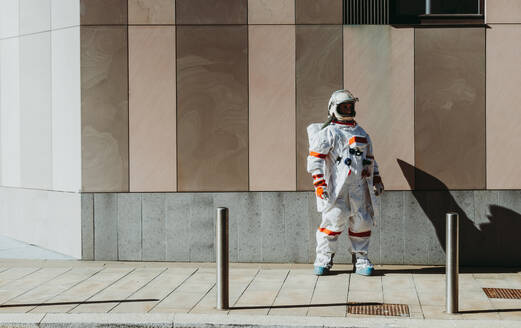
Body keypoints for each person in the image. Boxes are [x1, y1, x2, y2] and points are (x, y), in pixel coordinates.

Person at [307, 89, 384, 276]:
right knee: (333, 222)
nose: (348, 109)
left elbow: (371, 159)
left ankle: (361, 257)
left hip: (358, 186)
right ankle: (324, 258)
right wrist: (319, 183)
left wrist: (376, 177)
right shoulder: (328, 133)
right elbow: (315, 160)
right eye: (344, 107)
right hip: (336, 188)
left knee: (362, 223)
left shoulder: (361, 132)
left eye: (350, 106)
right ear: (334, 108)